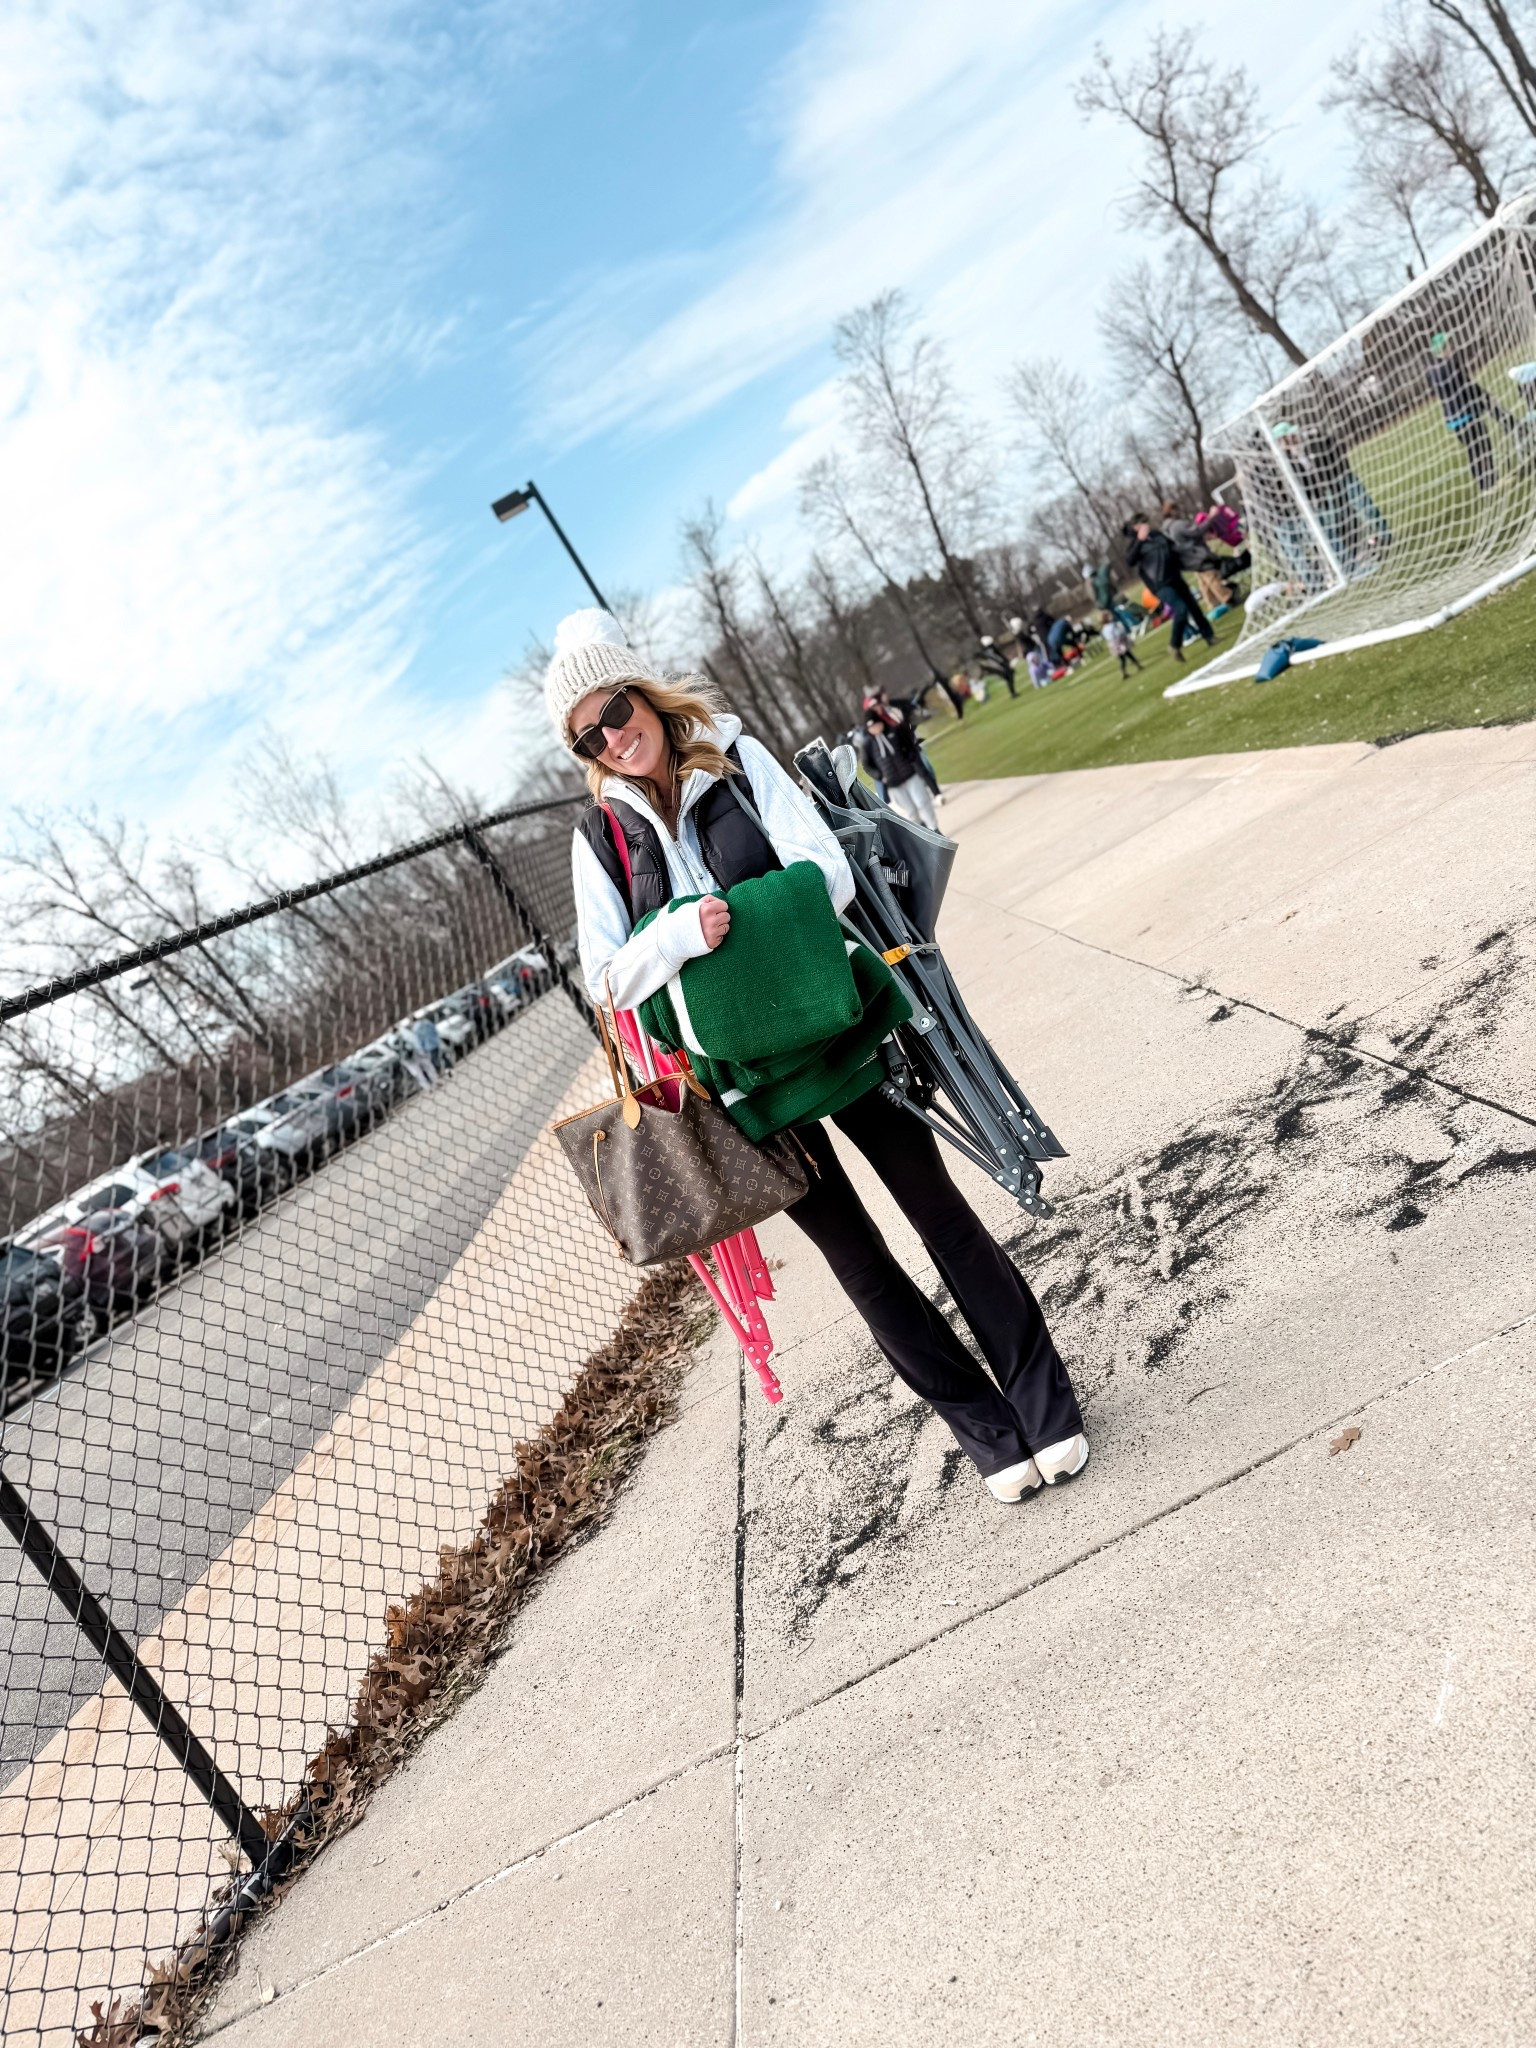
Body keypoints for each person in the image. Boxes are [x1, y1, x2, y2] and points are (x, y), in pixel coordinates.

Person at [552, 608, 1088, 1501]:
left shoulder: (738, 760)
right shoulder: (599, 836)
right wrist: (680, 935)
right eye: (587, 736)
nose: (611, 740)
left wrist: (746, 923)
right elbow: (606, 979)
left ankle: (1046, 1406)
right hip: (741, 1083)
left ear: (641, 692)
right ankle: (992, 1437)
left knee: (941, 1216)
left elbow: (825, 869)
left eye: (615, 712)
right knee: (862, 1263)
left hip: (837, 1025)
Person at [1124, 512, 1215, 662]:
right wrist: (1140, 541)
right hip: (1160, 584)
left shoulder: (1157, 536)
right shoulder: (1135, 545)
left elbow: (1173, 547)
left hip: (1175, 577)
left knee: (1194, 607)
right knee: (1180, 610)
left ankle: (1209, 636)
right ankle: (1175, 645)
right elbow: (1130, 561)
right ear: (1135, 527)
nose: (1146, 526)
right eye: (1141, 524)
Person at [1163, 500, 1233, 614]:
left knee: (1203, 581)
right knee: (1211, 575)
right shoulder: (1178, 525)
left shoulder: (1167, 528)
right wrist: (1211, 517)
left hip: (1188, 558)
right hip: (1196, 555)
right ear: (1172, 511)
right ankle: (1227, 597)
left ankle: (1212, 604)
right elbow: (1197, 531)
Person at [1101, 612, 1143, 677]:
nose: (1111, 617)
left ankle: (1137, 666)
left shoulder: (1110, 625)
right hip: (1117, 642)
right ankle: (1126, 672)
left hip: (1118, 642)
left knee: (1128, 655)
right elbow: (1113, 635)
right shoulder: (1109, 626)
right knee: (1124, 658)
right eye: (1109, 616)